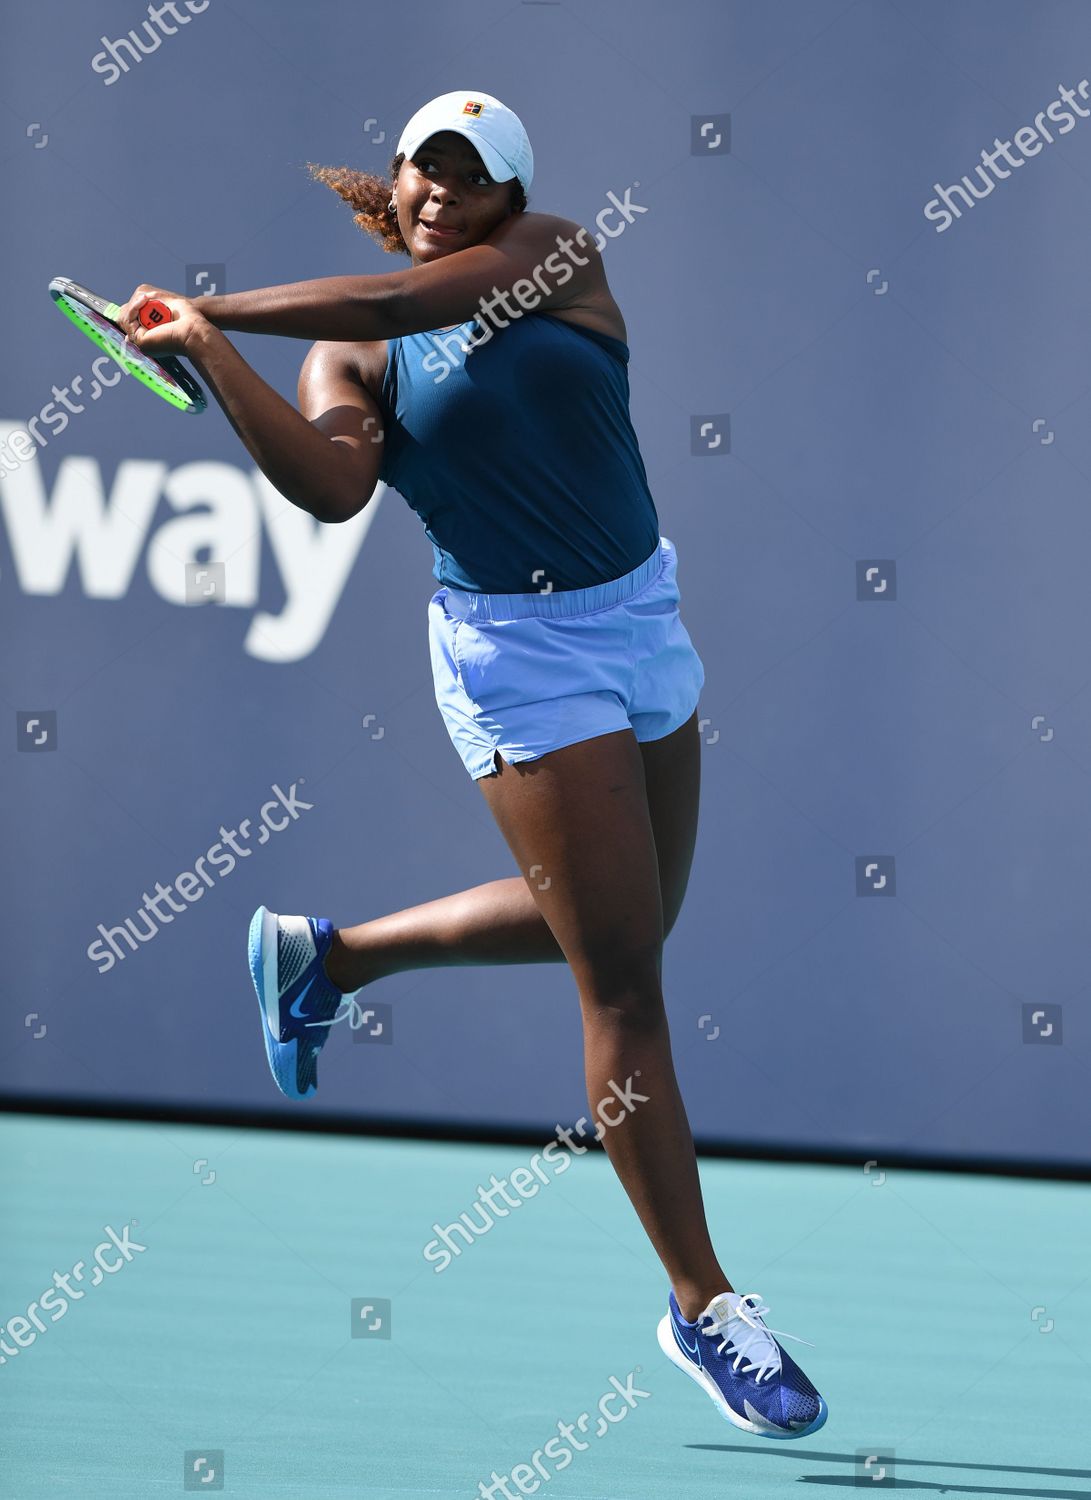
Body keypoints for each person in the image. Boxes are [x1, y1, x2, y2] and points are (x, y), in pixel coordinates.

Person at [117, 89, 827, 1441]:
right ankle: (704, 1307)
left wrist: (220, 311)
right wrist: (211, 354)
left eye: (469, 173)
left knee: (637, 919)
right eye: (421, 168)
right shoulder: (354, 358)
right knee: (623, 980)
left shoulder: (556, 256)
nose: (440, 188)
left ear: (510, 198)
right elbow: (332, 488)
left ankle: (334, 959)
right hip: (517, 656)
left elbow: (398, 307)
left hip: (640, 616)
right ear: (395, 183)